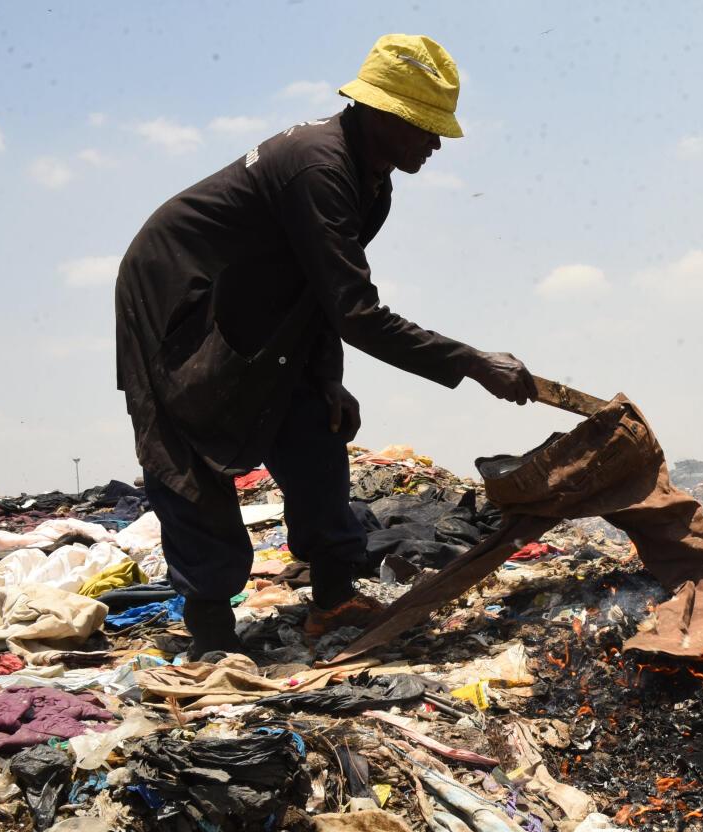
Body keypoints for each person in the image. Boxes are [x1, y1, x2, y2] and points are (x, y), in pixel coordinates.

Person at [114, 34, 536, 659]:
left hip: (260, 300)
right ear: (380, 115)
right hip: (177, 289)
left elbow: (323, 294)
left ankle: (335, 596)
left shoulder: (371, 183)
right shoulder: (319, 167)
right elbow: (357, 313)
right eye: (424, 127)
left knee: (317, 415)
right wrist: (471, 362)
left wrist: (328, 378)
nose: (436, 143)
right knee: (187, 454)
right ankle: (211, 636)